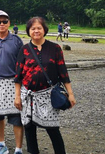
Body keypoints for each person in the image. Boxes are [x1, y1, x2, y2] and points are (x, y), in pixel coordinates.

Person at [14, 17, 76, 154]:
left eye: (39, 28)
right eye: (33, 28)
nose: (36, 31)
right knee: (29, 129)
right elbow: (18, 76)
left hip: (48, 95)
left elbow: (63, 72)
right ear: (29, 31)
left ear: (44, 30)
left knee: (53, 129)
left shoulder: (55, 48)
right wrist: (17, 96)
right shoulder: (24, 50)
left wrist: (70, 94)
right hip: (28, 96)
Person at [0, 10, 24, 154]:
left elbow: (22, 63)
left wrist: (21, 84)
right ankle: (2, 145)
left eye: (4, 21)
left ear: (9, 23)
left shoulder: (16, 41)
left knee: (16, 116)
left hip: (12, 82)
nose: (2, 24)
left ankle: (18, 148)